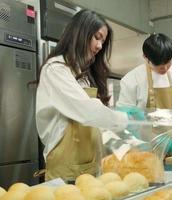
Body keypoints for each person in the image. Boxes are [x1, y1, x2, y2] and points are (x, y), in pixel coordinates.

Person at [35, 9, 129, 181]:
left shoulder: (83, 76)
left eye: (103, 41)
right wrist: (126, 118)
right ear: (80, 33)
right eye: (97, 37)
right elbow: (88, 111)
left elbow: (97, 125)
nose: (100, 46)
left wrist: (124, 149)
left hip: (89, 164)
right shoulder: (56, 70)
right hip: (66, 167)